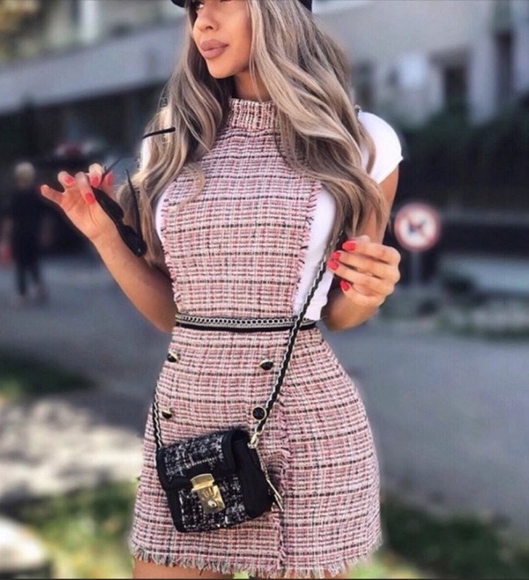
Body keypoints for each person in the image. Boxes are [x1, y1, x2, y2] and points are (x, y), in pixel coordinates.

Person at [40, 0, 403, 577]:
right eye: (194, 7)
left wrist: (369, 291)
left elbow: (338, 314)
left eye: (219, 1)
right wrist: (105, 237)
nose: (201, 22)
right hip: (187, 423)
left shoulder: (361, 140)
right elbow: (175, 317)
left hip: (307, 427)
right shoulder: (170, 142)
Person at [0, 161, 49, 306]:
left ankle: (22, 294)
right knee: (33, 262)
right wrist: (45, 232)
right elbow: (45, 216)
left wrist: (4, 238)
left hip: (18, 233)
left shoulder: (13, 195)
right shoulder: (36, 194)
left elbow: (8, 219)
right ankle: (38, 287)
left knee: (20, 264)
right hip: (33, 232)